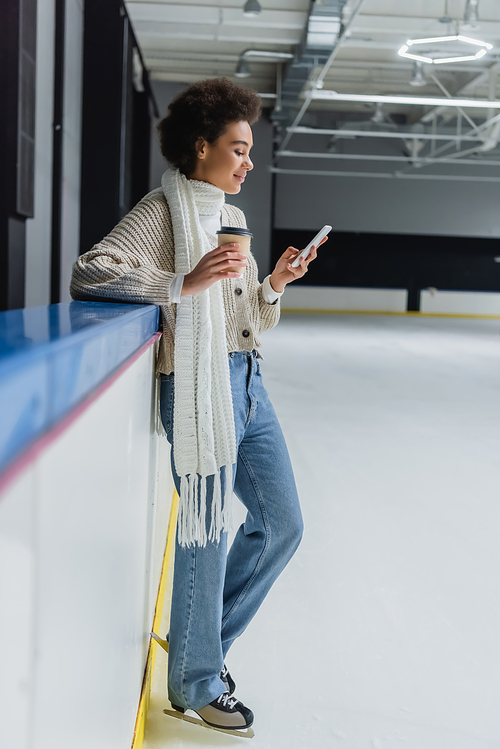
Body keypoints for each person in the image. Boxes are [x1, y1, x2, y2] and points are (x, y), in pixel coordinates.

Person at [70, 77, 323, 735]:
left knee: (283, 523)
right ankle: (194, 680)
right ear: (200, 145)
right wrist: (179, 282)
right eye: (237, 149)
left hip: (246, 384)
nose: (248, 162)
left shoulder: (231, 218)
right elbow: (92, 270)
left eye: (249, 149)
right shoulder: (165, 211)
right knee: (206, 533)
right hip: (194, 386)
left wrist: (274, 284)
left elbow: (249, 320)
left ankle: (199, 651)